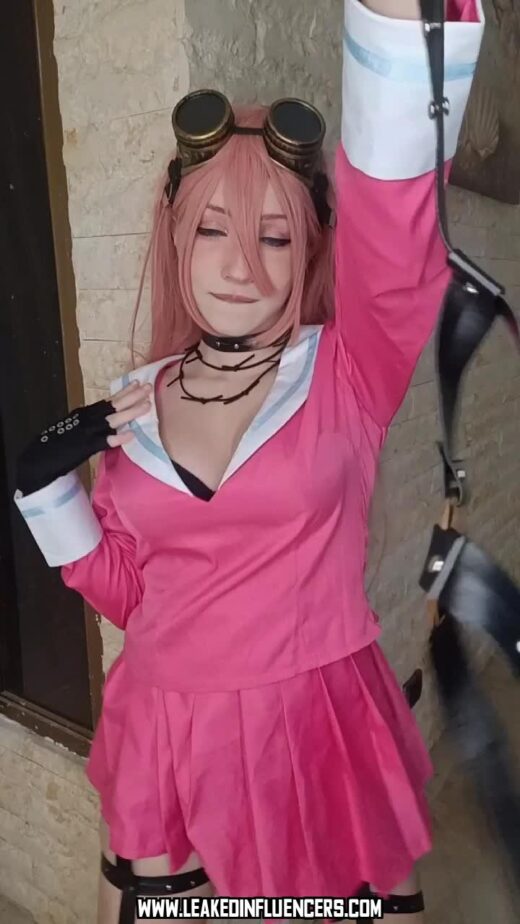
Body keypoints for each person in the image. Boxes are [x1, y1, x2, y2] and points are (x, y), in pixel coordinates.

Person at [13, 0, 483, 921]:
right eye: (213, 230)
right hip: (165, 729)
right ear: (176, 234)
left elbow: (397, 237)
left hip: (311, 723)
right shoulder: (135, 402)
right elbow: (133, 593)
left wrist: (398, 19)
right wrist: (43, 491)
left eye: (274, 236)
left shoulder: (347, 370)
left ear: (310, 246)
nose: (242, 267)